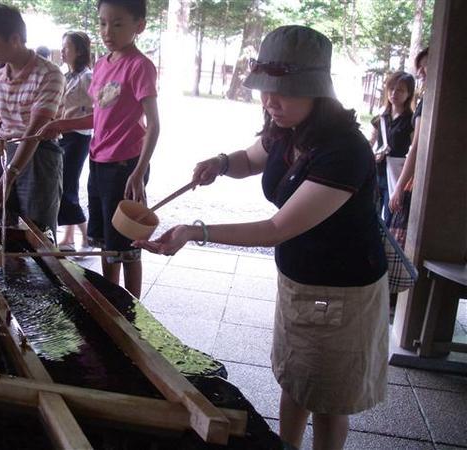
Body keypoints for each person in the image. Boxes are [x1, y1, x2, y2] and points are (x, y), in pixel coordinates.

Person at [134, 26, 388, 450]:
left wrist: (196, 232)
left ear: (317, 91)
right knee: (294, 378)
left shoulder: (344, 149)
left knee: (328, 396)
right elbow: (250, 159)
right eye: (265, 91)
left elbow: (276, 229)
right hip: (300, 281)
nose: (271, 102)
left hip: (342, 294)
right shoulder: (287, 128)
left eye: (283, 91)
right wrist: (219, 162)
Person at [38, 0, 160, 298]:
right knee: (107, 242)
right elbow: (100, 115)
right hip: (98, 162)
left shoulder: (140, 66)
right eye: (103, 23)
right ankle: (111, 300)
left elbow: (154, 125)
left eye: (118, 24)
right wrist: (63, 125)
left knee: (128, 244)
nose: (108, 31)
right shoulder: (103, 65)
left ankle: (132, 311)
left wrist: (138, 172)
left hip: (125, 167)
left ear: (139, 26)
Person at [0, 4, 65, 237]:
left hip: (39, 155)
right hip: (4, 152)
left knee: (37, 233)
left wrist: (9, 176)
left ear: (15, 39)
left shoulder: (49, 74)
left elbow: (35, 132)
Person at [56, 31, 94, 252]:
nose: (62, 51)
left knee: (67, 185)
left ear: (79, 51)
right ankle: (69, 236)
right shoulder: (67, 75)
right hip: (64, 134)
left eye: (67, 47)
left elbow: (98, 110)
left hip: (78, 137)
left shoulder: (87, 77)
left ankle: (86, 237)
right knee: (63, 184)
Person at [388, 47, 429, 245]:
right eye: (419, 67)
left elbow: (416, 147)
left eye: (425, 66)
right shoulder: (383, 117)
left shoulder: (426, 103)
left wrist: (400, 186)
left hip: (403, 175)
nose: (421, 72)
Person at [369, 71, 415, 226]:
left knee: (389, 220)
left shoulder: (411, 121)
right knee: (369, 216)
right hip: (376, 173)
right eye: (392, 88)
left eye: (400, 90)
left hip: (395, 176)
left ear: (409, 94)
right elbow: (372, 141)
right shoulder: (382, 116)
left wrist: (400, 187)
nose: (394, 93)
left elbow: (413, 154)